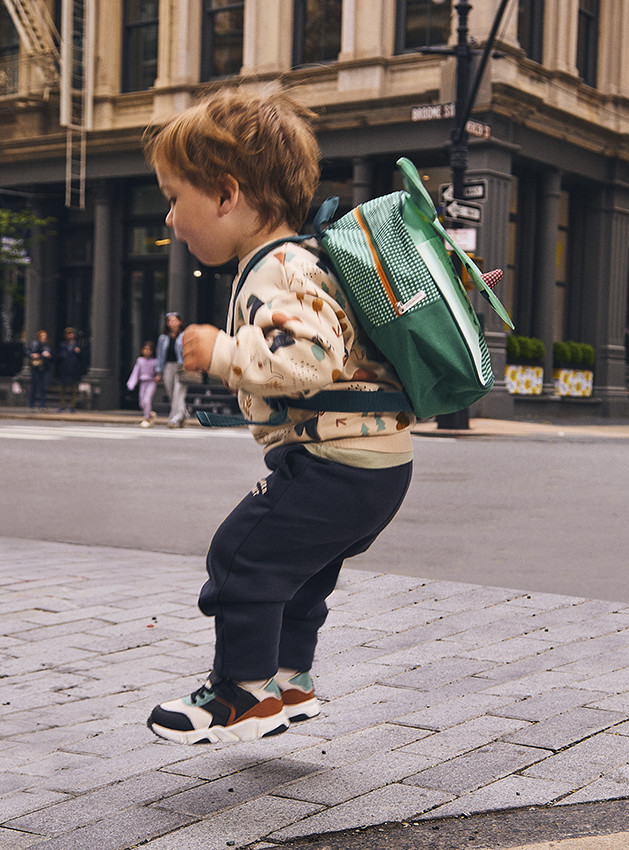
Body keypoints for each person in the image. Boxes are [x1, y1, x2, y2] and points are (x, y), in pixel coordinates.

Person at [143, 88, 415, 745]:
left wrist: (223, 352)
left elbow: (310, 361)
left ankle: (240, 694)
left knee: (241, 558)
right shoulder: (301, 261)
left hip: (335, 465)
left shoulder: (277, 270)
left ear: (227, 195)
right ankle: (290, 683)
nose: (172, 219)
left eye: (176, 197)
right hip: (374, 469)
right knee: (296, 578)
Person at [155, 311, 187, 427]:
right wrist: (158, 371)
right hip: (168, 366)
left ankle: (174, 419)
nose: (172, 323)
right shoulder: (163, 339)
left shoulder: (184, 336)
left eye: (174, 321)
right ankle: (183, 414)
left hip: (181, 366)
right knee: (171, 392)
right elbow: (159, 356)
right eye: (170, 321)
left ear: (180, 322)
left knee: (178, 393)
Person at [126, 341, 158, 427]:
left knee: (146, 400)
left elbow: (158, 371)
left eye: (149, 349)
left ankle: (147, 418)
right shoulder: (140, 361)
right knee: (142, 403)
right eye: (145, 349)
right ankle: (150, 414)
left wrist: (158, 376)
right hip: (143, 382)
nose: (147, 351)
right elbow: (136, 372)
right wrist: (131, 383)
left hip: (151, 382)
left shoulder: (155, 361)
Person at [56, 327, 84, 413]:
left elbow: (83, 357)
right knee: (62, 389)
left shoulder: (78, 345)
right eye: (68, 334)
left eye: (71, 333)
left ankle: (72, 405)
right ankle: (62, 405)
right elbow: (58, 356)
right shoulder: (62, 345)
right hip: (64, 368)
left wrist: (78, 352)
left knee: (73, 389)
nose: (69, 335)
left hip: (74, 369)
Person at [26, 330, 54, 410]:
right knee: (34, 386)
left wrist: (49, 355)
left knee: (44, 387)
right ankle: (31, 404)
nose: (43, 338)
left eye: (45, 336)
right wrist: (32, 355)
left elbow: (53, 356)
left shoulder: (48, 345)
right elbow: (27, 351)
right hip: (36, 367)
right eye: (42, 336)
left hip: (45, 368)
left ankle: (43, 405)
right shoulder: (34, 344)